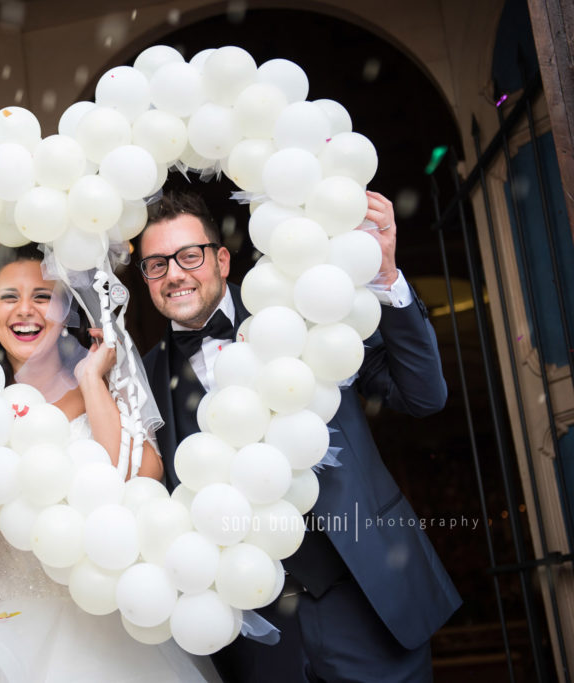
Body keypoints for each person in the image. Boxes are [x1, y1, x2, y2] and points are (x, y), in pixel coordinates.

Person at [137, 190, 460, 683]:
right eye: (155, 265)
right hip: (254, 630)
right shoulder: (144, 380)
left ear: (221, 258)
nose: (174, 274)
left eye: (189, 256)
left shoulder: (302, 309)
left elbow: (422, 395)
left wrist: (386, 276)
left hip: (365, 592)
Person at [0, 243, 220, 682]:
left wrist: (91, 381)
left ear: (67, 312)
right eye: (9, 296)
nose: (24, 309)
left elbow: (134, 477)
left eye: (42, 297)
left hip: (96, 626)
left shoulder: (105, 386)